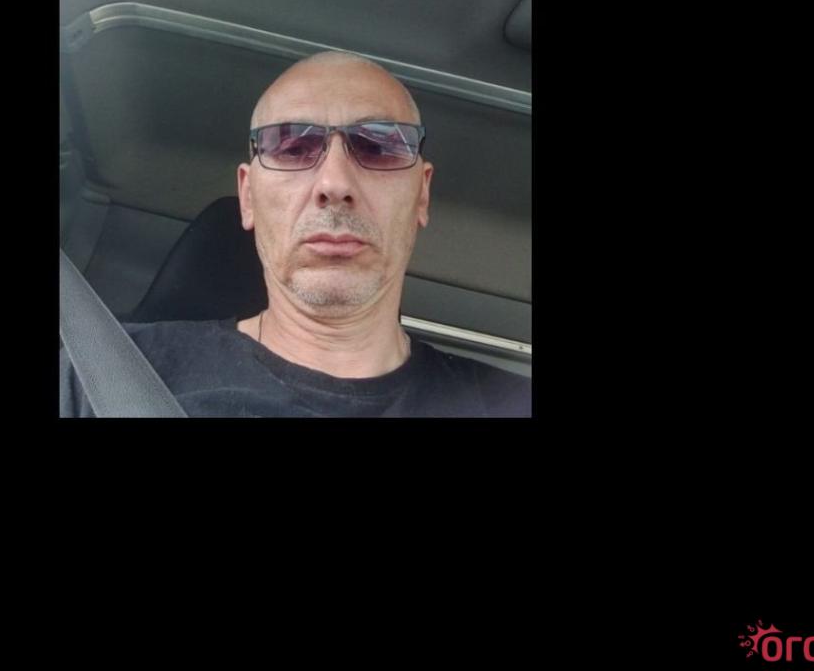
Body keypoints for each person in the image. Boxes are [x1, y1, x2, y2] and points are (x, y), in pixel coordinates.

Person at [60, 51, 531, 417]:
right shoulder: (90, 378)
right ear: (248, 196)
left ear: (421, 196)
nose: (335, 184)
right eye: (291, 146)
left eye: (379, 146)